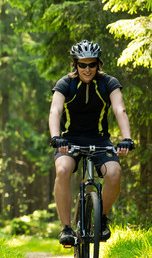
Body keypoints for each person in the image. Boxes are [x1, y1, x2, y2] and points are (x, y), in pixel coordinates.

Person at [49, 40, 134, 246]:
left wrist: (126, 138)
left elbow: (119, 109)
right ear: (75, 65)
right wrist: (55, 136)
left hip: (99, 139)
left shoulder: (109, 83)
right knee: (62, 171)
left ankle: (101, 217)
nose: (87, 69)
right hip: (68, 139)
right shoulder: (65, 84)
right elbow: (55, 111)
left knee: (114, 173)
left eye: (92, 64)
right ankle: (66, 228)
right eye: (82, 65)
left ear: (99, 64)